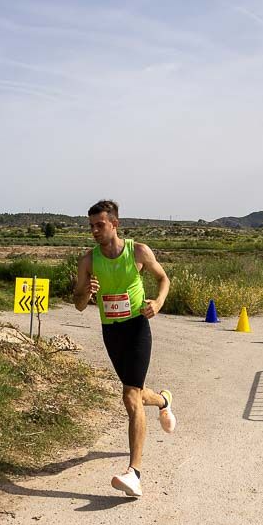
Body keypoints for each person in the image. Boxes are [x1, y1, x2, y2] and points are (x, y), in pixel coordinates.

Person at [73, 199, 175, 498]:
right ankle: (164, 401)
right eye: (91, 226)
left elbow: (163, 279)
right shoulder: (88, 261)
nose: (94, 230)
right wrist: (85, 292)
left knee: (130, 396)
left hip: (136, 328)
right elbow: (78, 306)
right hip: (111, 332)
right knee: (138, 393)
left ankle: (135, 473)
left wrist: (157, 302)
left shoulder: (138, 251)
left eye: (99, 225)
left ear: (114, 224)